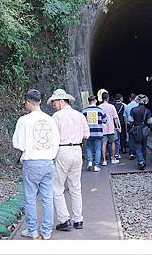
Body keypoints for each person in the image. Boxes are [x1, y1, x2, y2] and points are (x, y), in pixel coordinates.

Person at [12, 89, 60, 240]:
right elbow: (56, 142)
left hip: (32, 162)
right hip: (48, 162)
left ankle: (32, 230)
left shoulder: (23, 120)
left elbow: (18, 144)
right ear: (39, 101)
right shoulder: (50, 119)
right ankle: (46, 231)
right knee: (47, 197)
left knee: (30, 198)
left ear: (27, 102)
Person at [48, 89, 90, 232]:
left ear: (61, 101)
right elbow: (87, 135)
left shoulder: (56, 117)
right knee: (75, 187)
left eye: (54, 102)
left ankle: (64, 220)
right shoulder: (79, 115)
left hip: (62, 151)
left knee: (57, 187)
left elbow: (52, 137)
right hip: (77, 151)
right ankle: (78, 219)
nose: (53, 105)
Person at [128, 94, 152, 170]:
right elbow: (150, 121)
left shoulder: (133, 110)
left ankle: (141, 161)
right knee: (144, 147)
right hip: (145, 130)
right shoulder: (147, 110)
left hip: (136, 130)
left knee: (137, 147)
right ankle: (144, 161)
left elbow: (130, 120)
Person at [82, 94, 106, 172]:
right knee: (98, 149)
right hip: (98, 132)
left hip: (88, 132)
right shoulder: (100, 110)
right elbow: (104, 120)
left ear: (88, 101)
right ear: (95, 101)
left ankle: (89, 162)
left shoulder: (84, 111)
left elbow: (82, 122)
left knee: (89, 148)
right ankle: (96, 166)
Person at [97, 89, 120, 166]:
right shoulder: (112, 106)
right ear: (108, 98)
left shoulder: (99, 107)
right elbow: (115, 118)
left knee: (104, 144)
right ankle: (113, 159)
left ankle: (104, 160)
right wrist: (117, 127)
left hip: (102, 128)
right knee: (113, 143)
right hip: (111, 128)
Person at [123, 93, 138, 160]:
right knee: (138, 138)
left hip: (130, 124)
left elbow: (125, 118)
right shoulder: (138, 105)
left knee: (131, 139)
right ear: (136, 98)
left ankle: (132, 153)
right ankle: (138, 152)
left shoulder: (127, 106)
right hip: (138, 124)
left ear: (130, 99)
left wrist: (126, 127)